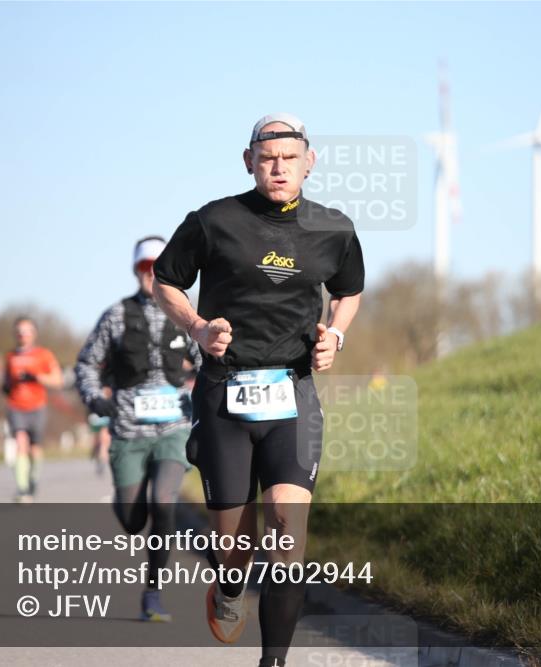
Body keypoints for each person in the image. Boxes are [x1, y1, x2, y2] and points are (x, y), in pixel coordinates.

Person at [153, 113, 364, 667]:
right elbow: (165, 280)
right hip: (224, 394)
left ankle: (273, 662)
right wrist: (198, 327)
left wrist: (336, 335)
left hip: (294, 394)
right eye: (268, 158)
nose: (279, 167)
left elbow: (349, 291)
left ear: (309, 162)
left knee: (287, 533)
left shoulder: (334, 229)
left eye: (290, 158)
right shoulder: (213, 221)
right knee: (235, 549)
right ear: (249, 161)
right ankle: (228, 587)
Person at [75, 236, 200, 622]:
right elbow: (86, 364)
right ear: (136, 271)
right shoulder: (115, 316)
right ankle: (126, 501)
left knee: (163, 501)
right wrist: (95, 399)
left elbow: (211, 362)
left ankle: (153, 594)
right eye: (145, 267)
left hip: (174, 428)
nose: (152, 273)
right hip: (129, 432)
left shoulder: (188, 316)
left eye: (159, 266)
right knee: (132, 521)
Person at [2, 317, 63, 503]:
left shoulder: (44, 354)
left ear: (34, 333)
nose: (23, 334)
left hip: (37, 406)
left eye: (26, 331)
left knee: (35, 448)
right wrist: (6, 386)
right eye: (19, 331)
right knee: (21, 442)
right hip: (16, 406)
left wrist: (36, 377)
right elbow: (5, 382)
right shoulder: (10, 357)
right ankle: (22, 488)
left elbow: (58, 381)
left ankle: (33, 479)